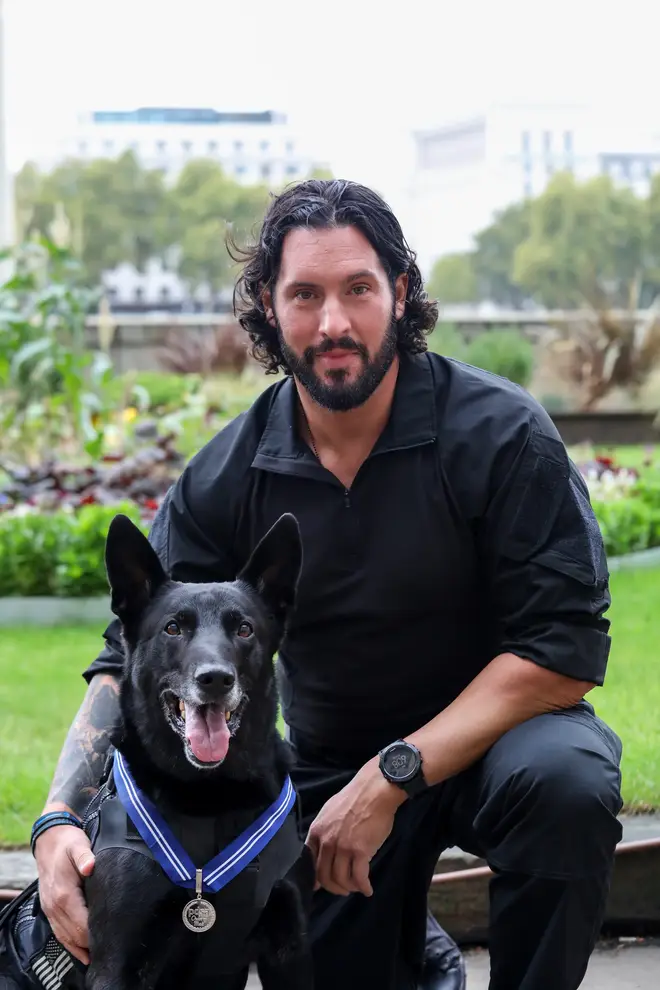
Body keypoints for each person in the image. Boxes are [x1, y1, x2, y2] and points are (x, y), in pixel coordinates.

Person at [32, 179, 622, 990]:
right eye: (304, 294)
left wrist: (392, 776)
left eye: (358, 289)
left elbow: (565, 650)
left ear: (401, 293)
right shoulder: (231, 470)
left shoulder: (504, 435)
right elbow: (124, 653)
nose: (333, 322)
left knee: (568, 783)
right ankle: (412, 945)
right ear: (270, 309)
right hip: (326, 772)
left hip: (496, 749)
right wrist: (58, 819)